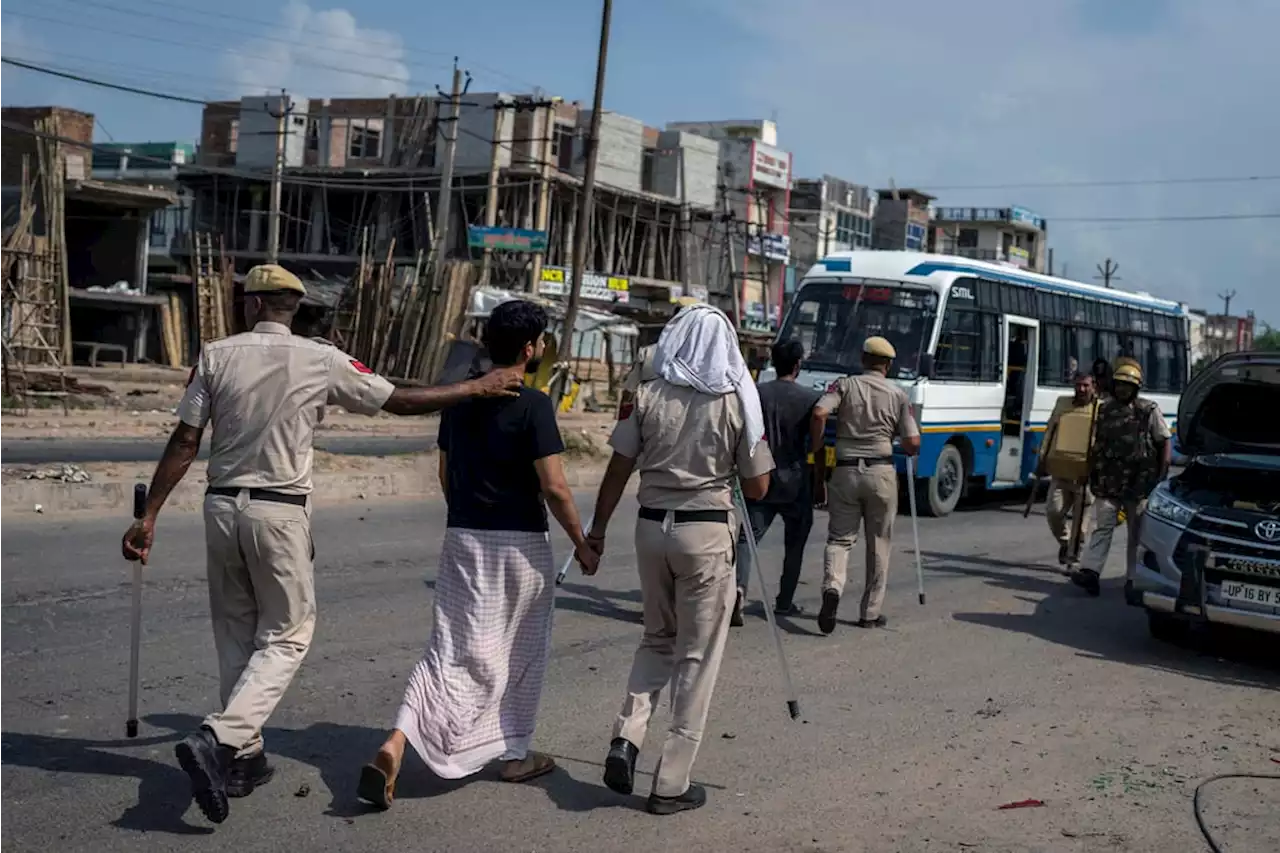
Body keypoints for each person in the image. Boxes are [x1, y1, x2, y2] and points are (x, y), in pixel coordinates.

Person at [120, 264, 525, 826]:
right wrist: (477, 387)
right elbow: (401, 401)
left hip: (220, 507)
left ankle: (245, 756)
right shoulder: (321, 358)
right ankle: (221, 738)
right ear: (290, 308)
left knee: (237, 630)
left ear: (253, 305)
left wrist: (150, 516)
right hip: (278, 512)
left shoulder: (215, 354)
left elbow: (186, 440)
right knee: (287, 636)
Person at [357, 299, 599, 810]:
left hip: (464, 539)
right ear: (531, 349)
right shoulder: (534, 405)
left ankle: (396, 742)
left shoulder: (460, 400)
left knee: (447, 651)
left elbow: (446, 475)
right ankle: (513, 754)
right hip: (520, 548)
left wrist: (466, 516)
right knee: (517, 655)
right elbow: (553, 487)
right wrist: (581, 542)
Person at [585, 303, 773, 815]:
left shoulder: (647, 392)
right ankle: (670, 782)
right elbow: (758, 488)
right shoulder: (735, 400)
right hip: (705, 534)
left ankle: (627, 737)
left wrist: (596, 531)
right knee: (697, 656)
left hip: (651, 528)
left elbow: (619, 466)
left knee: (656, 638)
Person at [809, 336, 921, 635]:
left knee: (839, 539)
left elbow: (819, 413)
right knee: (879, 543)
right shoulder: (898, 395)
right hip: (881, 472)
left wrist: (818, 447)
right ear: (888, 364)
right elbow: (912, 442)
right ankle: (869, 613)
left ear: (862, 359)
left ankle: (832, 587)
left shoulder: (844, 386)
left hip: (845, 471)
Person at [731, 338, 822, 625]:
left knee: (746, 539)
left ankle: (738, 591)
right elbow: (816, 446)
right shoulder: (810, 399)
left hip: (761, 477)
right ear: (797, 365)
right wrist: (820, 481)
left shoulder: (757, 394)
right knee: (795, 543)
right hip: (795, 480)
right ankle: (784, 600)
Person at [1072, 361, 1171, 596]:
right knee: (1102, 526)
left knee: (1136, 534)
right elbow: (1097, 442)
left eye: (1128, 385)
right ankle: (1091, 572)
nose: (1123, 389)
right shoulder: (1105, 409)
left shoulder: (1148, 410)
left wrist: (1162, 472)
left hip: (1139, 483)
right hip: (1108, 480)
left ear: (1136, 387)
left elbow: (1164, 439)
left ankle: (1133, 579)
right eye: (1120, 385)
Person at [1037, 372, 1098, 572]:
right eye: (1078, 385)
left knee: (1080, 527)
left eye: (1085, 385)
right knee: (1053, 512)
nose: (1081, 389)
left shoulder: (1100, 409)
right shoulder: (1062, 404)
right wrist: (1042, 457)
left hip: (1084, 477)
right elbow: (1050, 431)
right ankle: (1065, 543)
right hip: (1061, 471)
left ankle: (1073, 559)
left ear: (1093, 386)